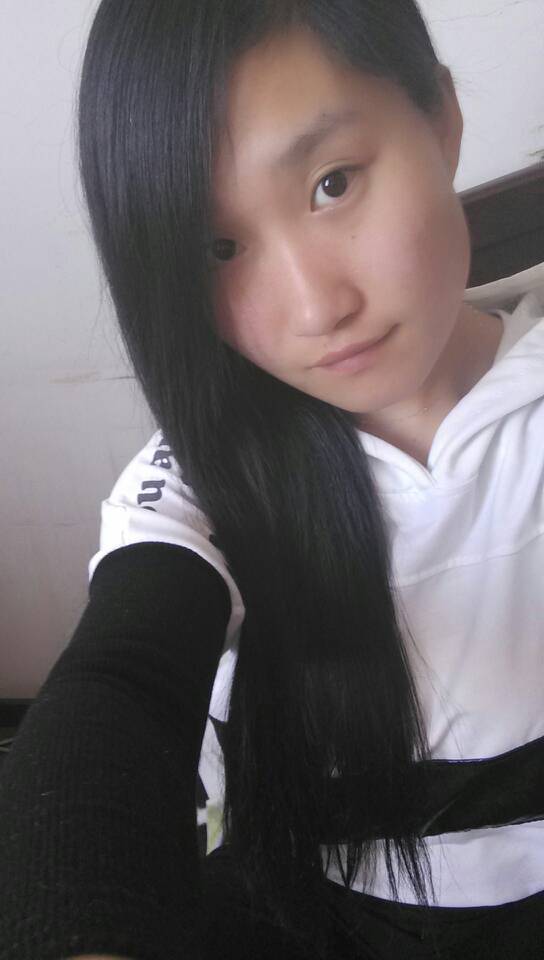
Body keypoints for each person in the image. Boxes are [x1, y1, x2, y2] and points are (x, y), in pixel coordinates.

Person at [1, 1, 543, 957]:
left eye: (333, 184)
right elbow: (121, 687)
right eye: (219, 249)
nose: (314, 307)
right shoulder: (200, 483)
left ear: (443, 118)